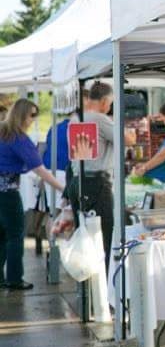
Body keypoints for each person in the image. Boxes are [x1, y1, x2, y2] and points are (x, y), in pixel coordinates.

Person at [0, 99, 64, 289]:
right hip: (8, 193)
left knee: (1, 236)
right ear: (22, 115)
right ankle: (14, 279)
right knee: (15, 235)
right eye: (32, 115)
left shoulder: (2, 131)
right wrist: (62, 188)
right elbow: (40, 169)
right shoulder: (18, 138)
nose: (34, 120)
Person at [67, 81, 118, 267]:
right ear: (104, 101)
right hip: (97, 183)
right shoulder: (100, 118)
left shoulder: (75, 118)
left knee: (84, 235)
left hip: (78, 181)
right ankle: (102, 285)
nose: (110, 107)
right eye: (111, 103)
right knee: (104, 235)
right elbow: (125, 139)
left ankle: (86, 285)